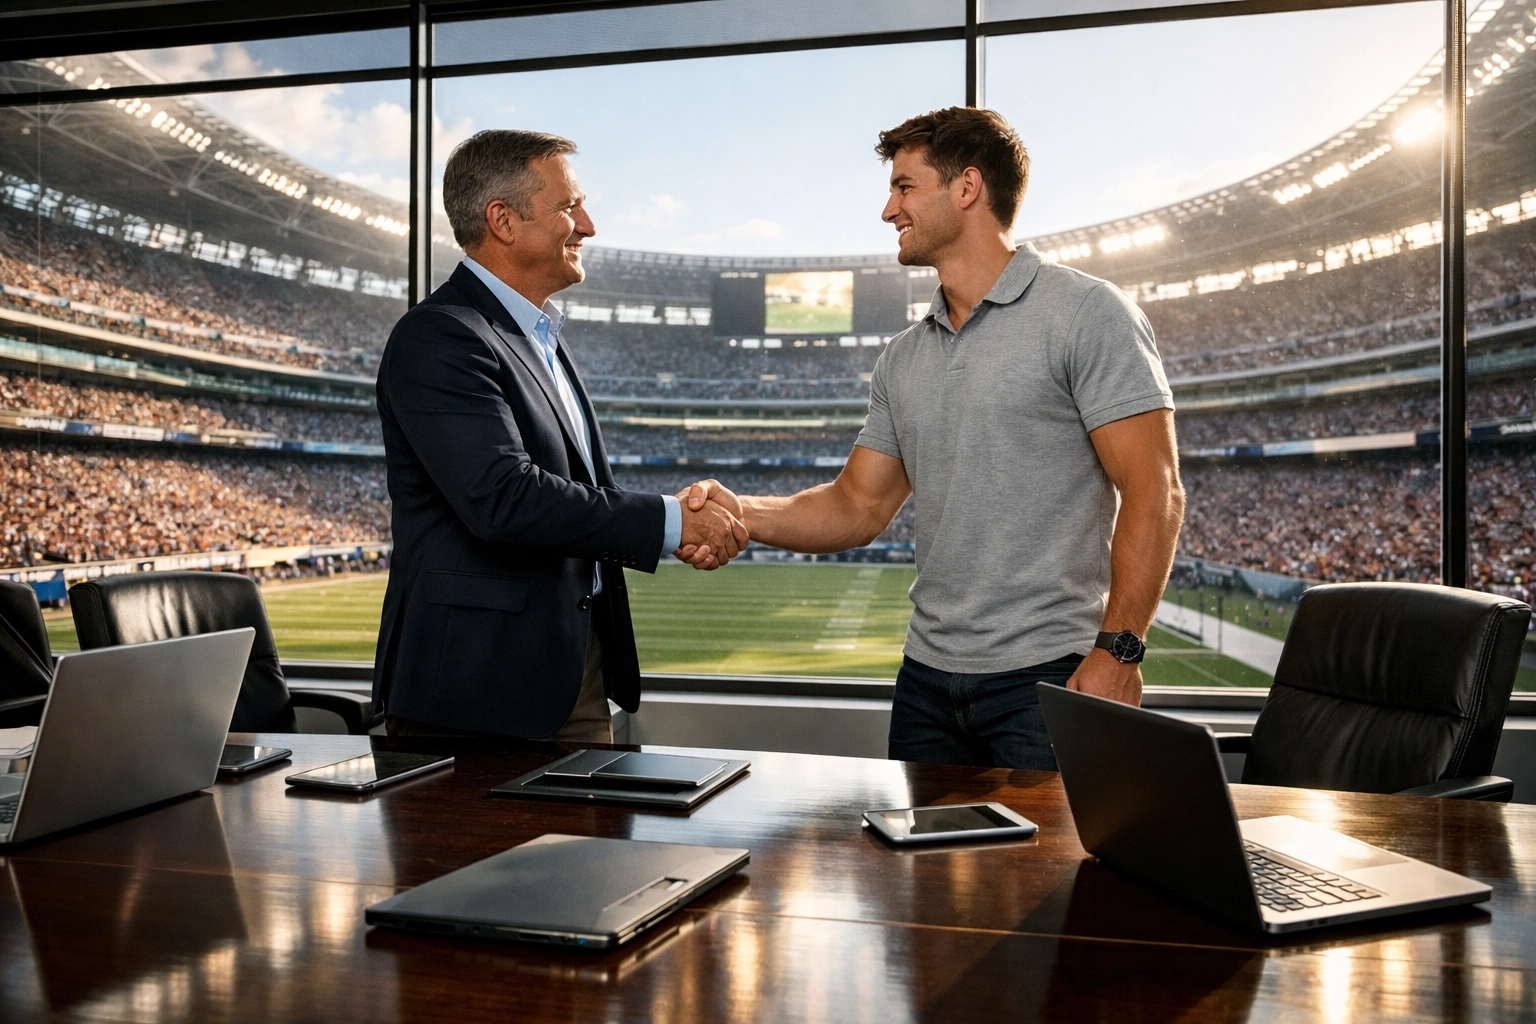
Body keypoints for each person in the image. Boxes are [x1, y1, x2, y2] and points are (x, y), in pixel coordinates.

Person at [683, 107, 1185, 770]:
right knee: (920, 876)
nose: (889, 209)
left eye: (905, 187)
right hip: (925, 682)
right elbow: (858, 505)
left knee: (1046, 877)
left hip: (1048, 678)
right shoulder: (902, 356)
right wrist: (738, 509)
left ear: (967, 188)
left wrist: (1120, 652)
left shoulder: (1087, 313)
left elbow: (1156, 490)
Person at [372, 129, 748, 741]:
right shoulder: (440, 336)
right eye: (570, 206)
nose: (589, 225)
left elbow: (576, 491)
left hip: (574, 666)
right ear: (503, 220)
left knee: (585, 839)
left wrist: (673, 525)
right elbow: (504, 497)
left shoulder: (540, 336)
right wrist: (673, 522)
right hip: (478, 691)